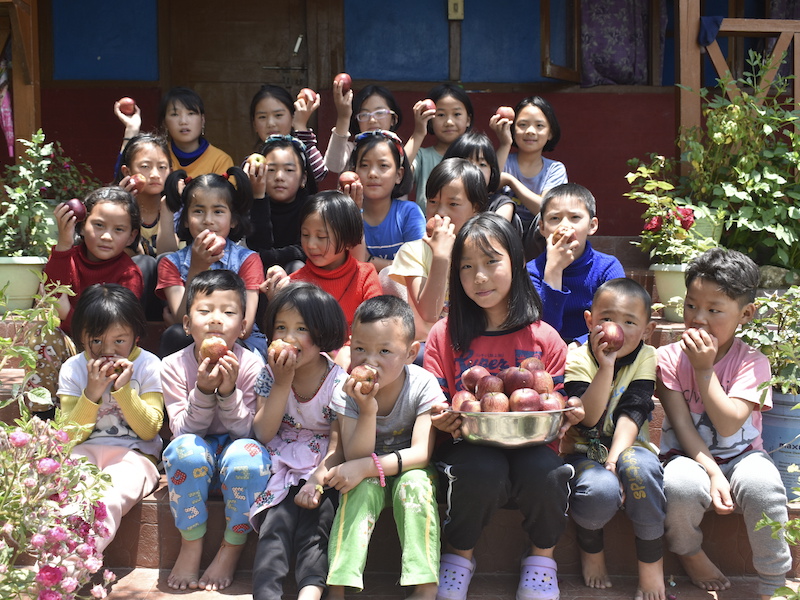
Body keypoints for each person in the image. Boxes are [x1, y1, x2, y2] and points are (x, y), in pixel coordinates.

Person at [424, 213, 583, 600]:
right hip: (467, 444)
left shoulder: (544, 337)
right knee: (482, 469)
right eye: (466, 267)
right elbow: (434, 399)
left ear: (515, 261)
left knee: (546, 474)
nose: (479, 276)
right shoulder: (445, 335)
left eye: (491, 262)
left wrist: (569, 413)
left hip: (533, 442)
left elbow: (557, 398)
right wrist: (443, 418)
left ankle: (542, 563)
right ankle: (458, 559)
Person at [656, 248, 791, 600]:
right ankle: (689, 552)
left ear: (745, 313)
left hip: (745, 456)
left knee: (764, 488)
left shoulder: (753, 363)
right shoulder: (668, 359)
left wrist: (704, 370)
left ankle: (773, 581)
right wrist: (713, 472)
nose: (698, 318)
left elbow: (730, 426)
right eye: (690, 305)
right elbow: (683, 428)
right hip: (686, 455)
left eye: (714, 310)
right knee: (680, 487)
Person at [325, 295, 444, 600]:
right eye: (360, 349)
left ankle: (425, 586)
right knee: (358, 491)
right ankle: (338, 584)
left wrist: (365, 467)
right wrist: (367, 410)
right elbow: (355, 455)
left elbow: (421, 454)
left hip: (409, 470)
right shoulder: (346, 389)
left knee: (415, 486)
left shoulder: (423, 385)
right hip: (364, 471)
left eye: (385, 351)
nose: (370, 360)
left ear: (411, 353)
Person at [161, 269, 271, 591]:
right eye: (205, 311)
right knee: (183, 451)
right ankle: (191, 544)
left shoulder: (251, 365)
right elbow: (181, 431)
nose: (216, 320)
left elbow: (248, 432)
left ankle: (232, 547)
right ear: (186, 323)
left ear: (243, 326)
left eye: (228, 312)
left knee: (250, 457)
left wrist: (228, 393)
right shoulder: (172, 366)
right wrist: (204, 392)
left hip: (235, 455)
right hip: (195, 458)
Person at [562, 278, 665, 600]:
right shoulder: (577, 356)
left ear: (647, 330)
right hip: (581, 450)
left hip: (630, 445)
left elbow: (634, 410)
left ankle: (651, 564)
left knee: (640, 470)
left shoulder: (646, 355)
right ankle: (591, 549)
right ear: (590, 321)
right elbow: (589, 418)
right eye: (606, 319)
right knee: (600, 490)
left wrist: (614, 458)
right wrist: (605, 367)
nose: (615, 328)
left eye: (629, 322)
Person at [250, 282, 349, 600]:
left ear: (322, 334)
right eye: (281, 327)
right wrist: (282, 383)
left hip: (322, 466)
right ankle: (266, 592)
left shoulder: (338, 381)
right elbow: (264, 433)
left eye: (301, 328)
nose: (288, 337)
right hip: (281, 462)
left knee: (317, 525)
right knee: (274, 525)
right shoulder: (269, 374)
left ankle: (310, 591)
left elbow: (339, 445)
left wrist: (317, 482)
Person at [58, 283, 163, 553]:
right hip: (83, 450)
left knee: (108, 496)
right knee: (67, 494)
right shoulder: (73, 368)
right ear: (80, 337)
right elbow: (68, 436)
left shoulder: (148, 364)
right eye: (96, 341)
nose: (109, 350)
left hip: (135, 455)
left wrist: (123, 390)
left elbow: (149, 430)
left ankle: (77, 564)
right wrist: (91, 393)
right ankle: (54, 560)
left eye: (119, 341)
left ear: (136, 336)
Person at [156, 166, 265, 358]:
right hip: (194, 339)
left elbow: (244, 326)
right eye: (198, 211)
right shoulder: (171, 263)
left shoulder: (248, 260)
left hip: (242, 343)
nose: (208, 220)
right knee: (175, 335)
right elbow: (182, 319)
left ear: (233, 220)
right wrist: (197, 268)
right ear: (186, 220)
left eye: (218, 211)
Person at [388, 158, 488, 351]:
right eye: (433, 202)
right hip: (428, 347)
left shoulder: (485, 250)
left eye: (453, 204)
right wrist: (441, 257)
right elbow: (429, 313)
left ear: (475, 209)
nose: (440, 212)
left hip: (477, 342)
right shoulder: (413, 251)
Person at [527, 183, 625, 342]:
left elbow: (617, 323)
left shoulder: (607, 268)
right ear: (542, 227)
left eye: (575, 218)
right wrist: (554, 269)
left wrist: (581, 344)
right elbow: (543, 330)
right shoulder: (533, 271)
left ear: (592, 226)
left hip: (595, 348)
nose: (564, 226)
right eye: (554, 218)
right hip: (547, 352)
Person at [45, 186, 143, 336]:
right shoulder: (66, 257)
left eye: (118, 229)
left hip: (107, 350)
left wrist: (67, 314)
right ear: (82, 226)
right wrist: (64, 243)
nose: (106, 236)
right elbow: (50, 294)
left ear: (131, 236)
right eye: (99, 225)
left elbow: (118, 331)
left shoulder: (129, 274)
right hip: (62, 343)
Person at [493, 96, 566, 258]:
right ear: (513, 129)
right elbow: (488, 186)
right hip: (504, 236)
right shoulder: (503, 158)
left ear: (550, 133)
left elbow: (545, 209)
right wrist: (504, 143)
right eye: (522, 125)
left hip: (539, 237)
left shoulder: (555, 169)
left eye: (539, 125)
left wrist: (511, 181)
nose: (530, 131)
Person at [114, 133, 176, 320]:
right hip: (127, 295)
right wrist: (126, 211)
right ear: (127, 172)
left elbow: (169, 257)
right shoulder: (113, 208)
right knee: (145, 263)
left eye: (162, 167)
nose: (155, 174)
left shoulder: (179, 208)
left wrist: (167, 210)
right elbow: (133, 258)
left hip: (168, 299)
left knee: (165, 261)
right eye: (145, 167)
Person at [114, 88, 234, 180]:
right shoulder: (157, 155)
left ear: (202, 120)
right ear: (164, 122)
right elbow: (123, 179)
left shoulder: (220, 160)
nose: (183, 121)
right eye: (175, 114)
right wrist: (131, 129)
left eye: (191, 113)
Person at [350, 129, 421, 272]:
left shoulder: (408, 213)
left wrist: (370, 260)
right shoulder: (345, 215)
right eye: (364, 165)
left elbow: (418, 266)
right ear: (354, 171)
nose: (372, 174)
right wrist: (353, 213)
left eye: (383, 166)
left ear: (399, 175)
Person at [247, 135, 318, 274]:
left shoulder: (313, 207)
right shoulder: (250, 205)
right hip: (262, 278)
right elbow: (257, 246)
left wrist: (268, 256)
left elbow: (306, 249)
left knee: (297, 266)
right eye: (271, 170)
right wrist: (258, 197)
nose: (279, 177)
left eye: (289, 170)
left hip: (301, 278)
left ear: (303, 178)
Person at [406, 84, 474, 212]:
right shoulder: (422, 156)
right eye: (441, 115)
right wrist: (418, 133)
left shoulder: (475, 156)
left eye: (457, 114)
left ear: (468, 120)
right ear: (431, 119)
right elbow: (397, 169)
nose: (449, 122)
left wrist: (505, 143)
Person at [443, 131, 522, 235]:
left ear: (492, 172)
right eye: (466, 162)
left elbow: (490, 239)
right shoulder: (442, 200)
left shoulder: (501, 205)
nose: (475, 169)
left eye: (482, 164)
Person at [247, 84, 327, 182]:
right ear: (254, 124)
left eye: (278, 115)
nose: (271, 123)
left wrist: (300, 125)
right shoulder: (251, 165)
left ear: (292, 117)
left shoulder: (301, 154)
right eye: (262, 117)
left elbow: (318, 173)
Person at [324, 83, 403, 174]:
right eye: (364, 114)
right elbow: (333, 165)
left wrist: (418, 133)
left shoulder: (397, 148)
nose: (372, 120)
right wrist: (343, 117)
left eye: (380, 113)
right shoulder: (351, 149)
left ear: (393, 119)